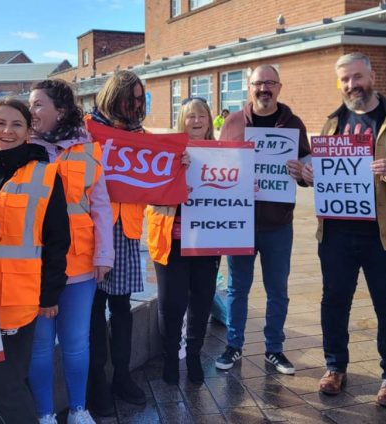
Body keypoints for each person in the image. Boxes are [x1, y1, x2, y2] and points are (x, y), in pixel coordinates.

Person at [299, 52, 386, 407]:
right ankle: (335, 366)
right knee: (333, 301)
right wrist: (307, 175)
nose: (352, 85)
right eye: (345, 79)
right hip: (335, 232)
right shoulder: (332, 122)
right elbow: (321, 170)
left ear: (373, 76)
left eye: (358, 77)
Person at [0, 98, 70, 423]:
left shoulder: (45, 175)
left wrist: (49, 295)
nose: (7, 131)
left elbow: (58, 240)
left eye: (16, 124)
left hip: (17, 299)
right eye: (0, 123)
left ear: (29, 131)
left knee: (3, 386)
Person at [27, 80, 113, 424]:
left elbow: (101, 206)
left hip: (79, 266)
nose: (30, 111)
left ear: (59, 110)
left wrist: (104, 255)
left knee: (77, 343)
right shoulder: (20, 146)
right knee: (41, 347)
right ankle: (45, 414)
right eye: (29, 104)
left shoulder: (89, 150)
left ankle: (79, 409)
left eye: (37, 105)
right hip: (33, 264)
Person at [216, 64, 310, 375]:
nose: (264, 88)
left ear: (279, 87)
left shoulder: (294, 124)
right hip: (239, 224)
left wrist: (303, 175)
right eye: (258, 83)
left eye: (270, 83)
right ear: (249, 88)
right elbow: (217, 166)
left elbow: (308, 170)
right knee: (237, 289)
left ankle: (274, 349)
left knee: (277, 290)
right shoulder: (231, 123)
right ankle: (234, 345)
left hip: (278, 225)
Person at [84, 70, 147, 415]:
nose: (135, 106)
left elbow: (158, 174)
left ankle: (121, 376)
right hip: (90, 230)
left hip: (125, 229)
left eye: (140, 99)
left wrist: (178, 165)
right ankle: (97, 385)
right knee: (93, 310)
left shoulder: (141, 136)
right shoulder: (86, 130)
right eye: (130, 98)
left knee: (121, 309)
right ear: (113, 97)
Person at [147, 97, 218, 385]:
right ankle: (170, 359)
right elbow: (148, 194)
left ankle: (194, 356)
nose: (197, 121)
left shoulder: (224, 153)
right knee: (171, 304)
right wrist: (174, 172)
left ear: (210, 121)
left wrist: (245, 185)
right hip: (171, 240)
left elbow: (233, 190)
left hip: (207, 239)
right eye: (190, 116)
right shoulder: (166, 153)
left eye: (202, 115)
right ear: (181, 121)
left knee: (201, 301)